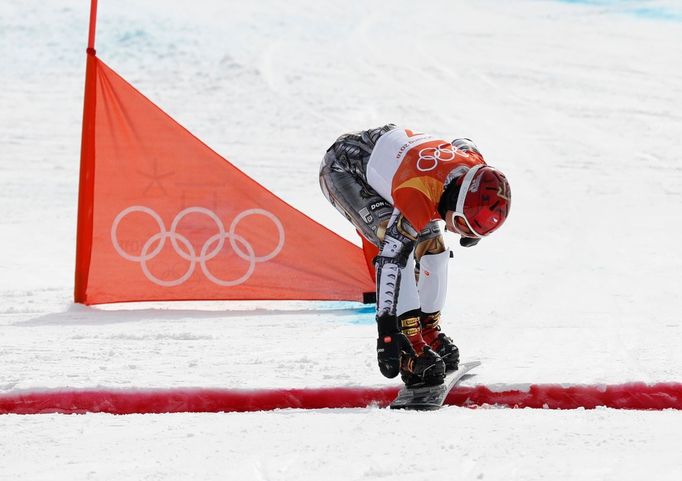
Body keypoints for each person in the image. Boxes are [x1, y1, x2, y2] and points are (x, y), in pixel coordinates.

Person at [319, 124, 511, 387]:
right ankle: (411, 341)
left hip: (400, 165)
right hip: (346, 168)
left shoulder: (474, 165)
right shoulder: (418, 194)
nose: (461, 233)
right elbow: (390, 261)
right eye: (462, 225)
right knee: (396, 242)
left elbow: (462, 141)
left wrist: (474, 227)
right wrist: (387, 332)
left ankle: (429, 330)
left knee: (434, 247)